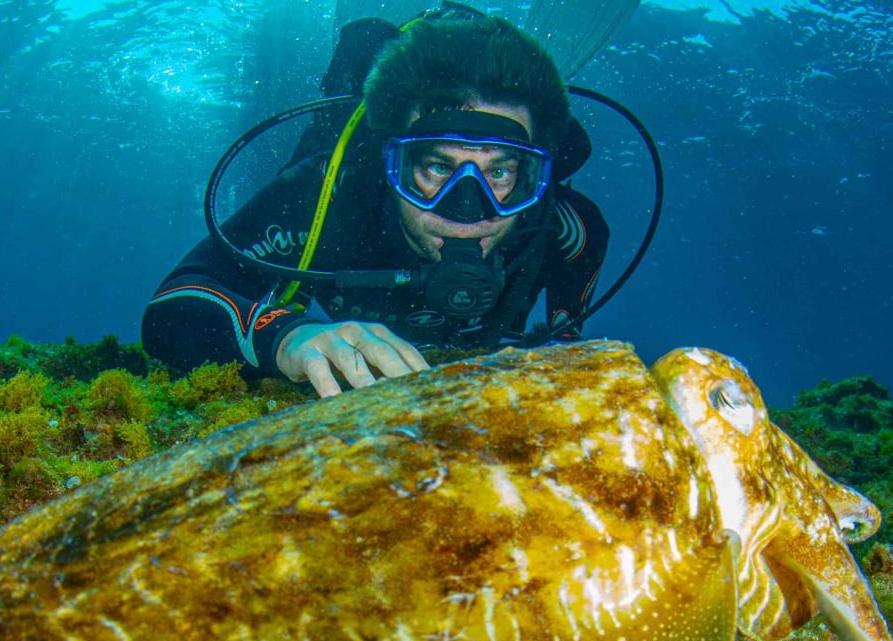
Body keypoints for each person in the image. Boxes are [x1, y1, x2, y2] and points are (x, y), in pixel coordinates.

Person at [141, 13, 610, 397]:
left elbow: (566, 346)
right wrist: (283, 334)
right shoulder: (326, 197)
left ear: (531, 176)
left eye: (501, 172)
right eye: (437, 168)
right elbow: (175, 302)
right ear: (391, 164)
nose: (468, 208)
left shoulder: (568, 229)